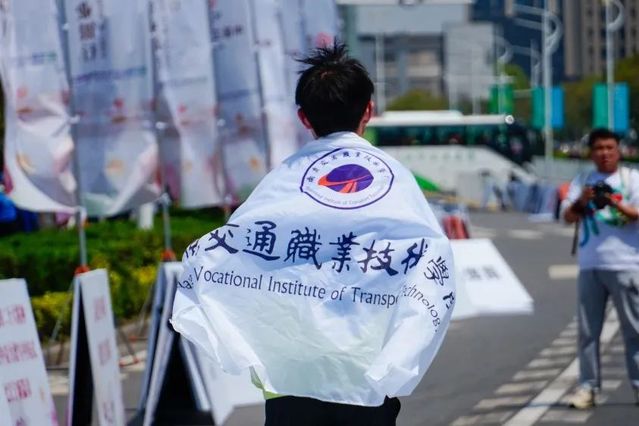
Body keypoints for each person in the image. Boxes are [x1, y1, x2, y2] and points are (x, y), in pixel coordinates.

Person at [172, 42, 455, 426]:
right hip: (364, 376)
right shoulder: (395, 181)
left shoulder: (282, 182)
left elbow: (229, 248)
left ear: (304, 118)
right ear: (368, 110)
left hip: (290, 378)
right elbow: (430, 263)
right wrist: (399, 359)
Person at [562, 128, 639, 409]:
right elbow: (567, 216)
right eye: (598, 148)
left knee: (635, 330)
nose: (604, 153)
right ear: (591, 153)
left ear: (619, 151)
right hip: (590, 264)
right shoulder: (582, 181)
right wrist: (583, 201)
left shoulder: (632, 179)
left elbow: (636, 214)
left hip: (626, 263)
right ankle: (588, 387)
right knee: (587, 331)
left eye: (609, 148)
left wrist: (613, 202)